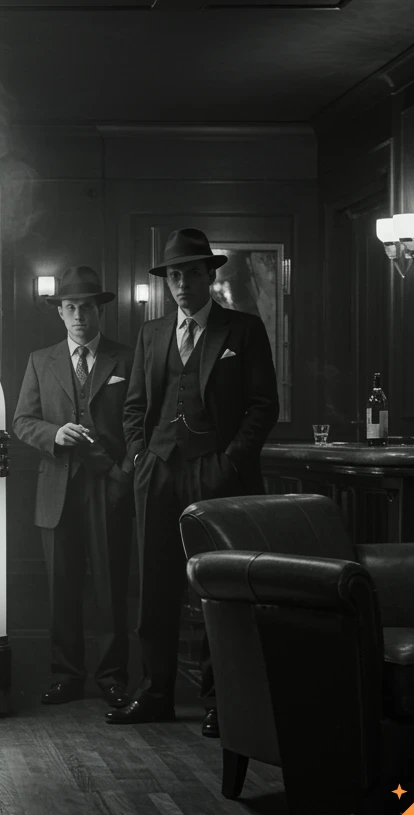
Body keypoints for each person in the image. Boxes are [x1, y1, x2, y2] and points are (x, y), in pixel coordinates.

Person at [109, 228, 279, 737]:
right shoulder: (152, 333)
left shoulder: (243, 330)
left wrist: (229, 462)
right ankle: (156, 692)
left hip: (216, 471)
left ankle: (219, 699)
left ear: (211, 275)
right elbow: (135, 405)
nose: (181, 282)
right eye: (174, 275)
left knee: (216, 588)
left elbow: (264, 406)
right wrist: (140, 454)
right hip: (157, 469)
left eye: (191, 272)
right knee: (153, 585)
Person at [12, 265, 135, 711]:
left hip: (109, 488)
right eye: (70, 307)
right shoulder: (40, 360)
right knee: (61, 590)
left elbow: (140, 424)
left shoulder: (127, 358)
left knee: (110, 589)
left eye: (86, 307)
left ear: (98, 310)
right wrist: (54, 436)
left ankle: (113, 676)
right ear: (59, 313)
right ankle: (66, 676)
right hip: (56, 491)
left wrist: (123, 475)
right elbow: (22, 421)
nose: (79, 315)